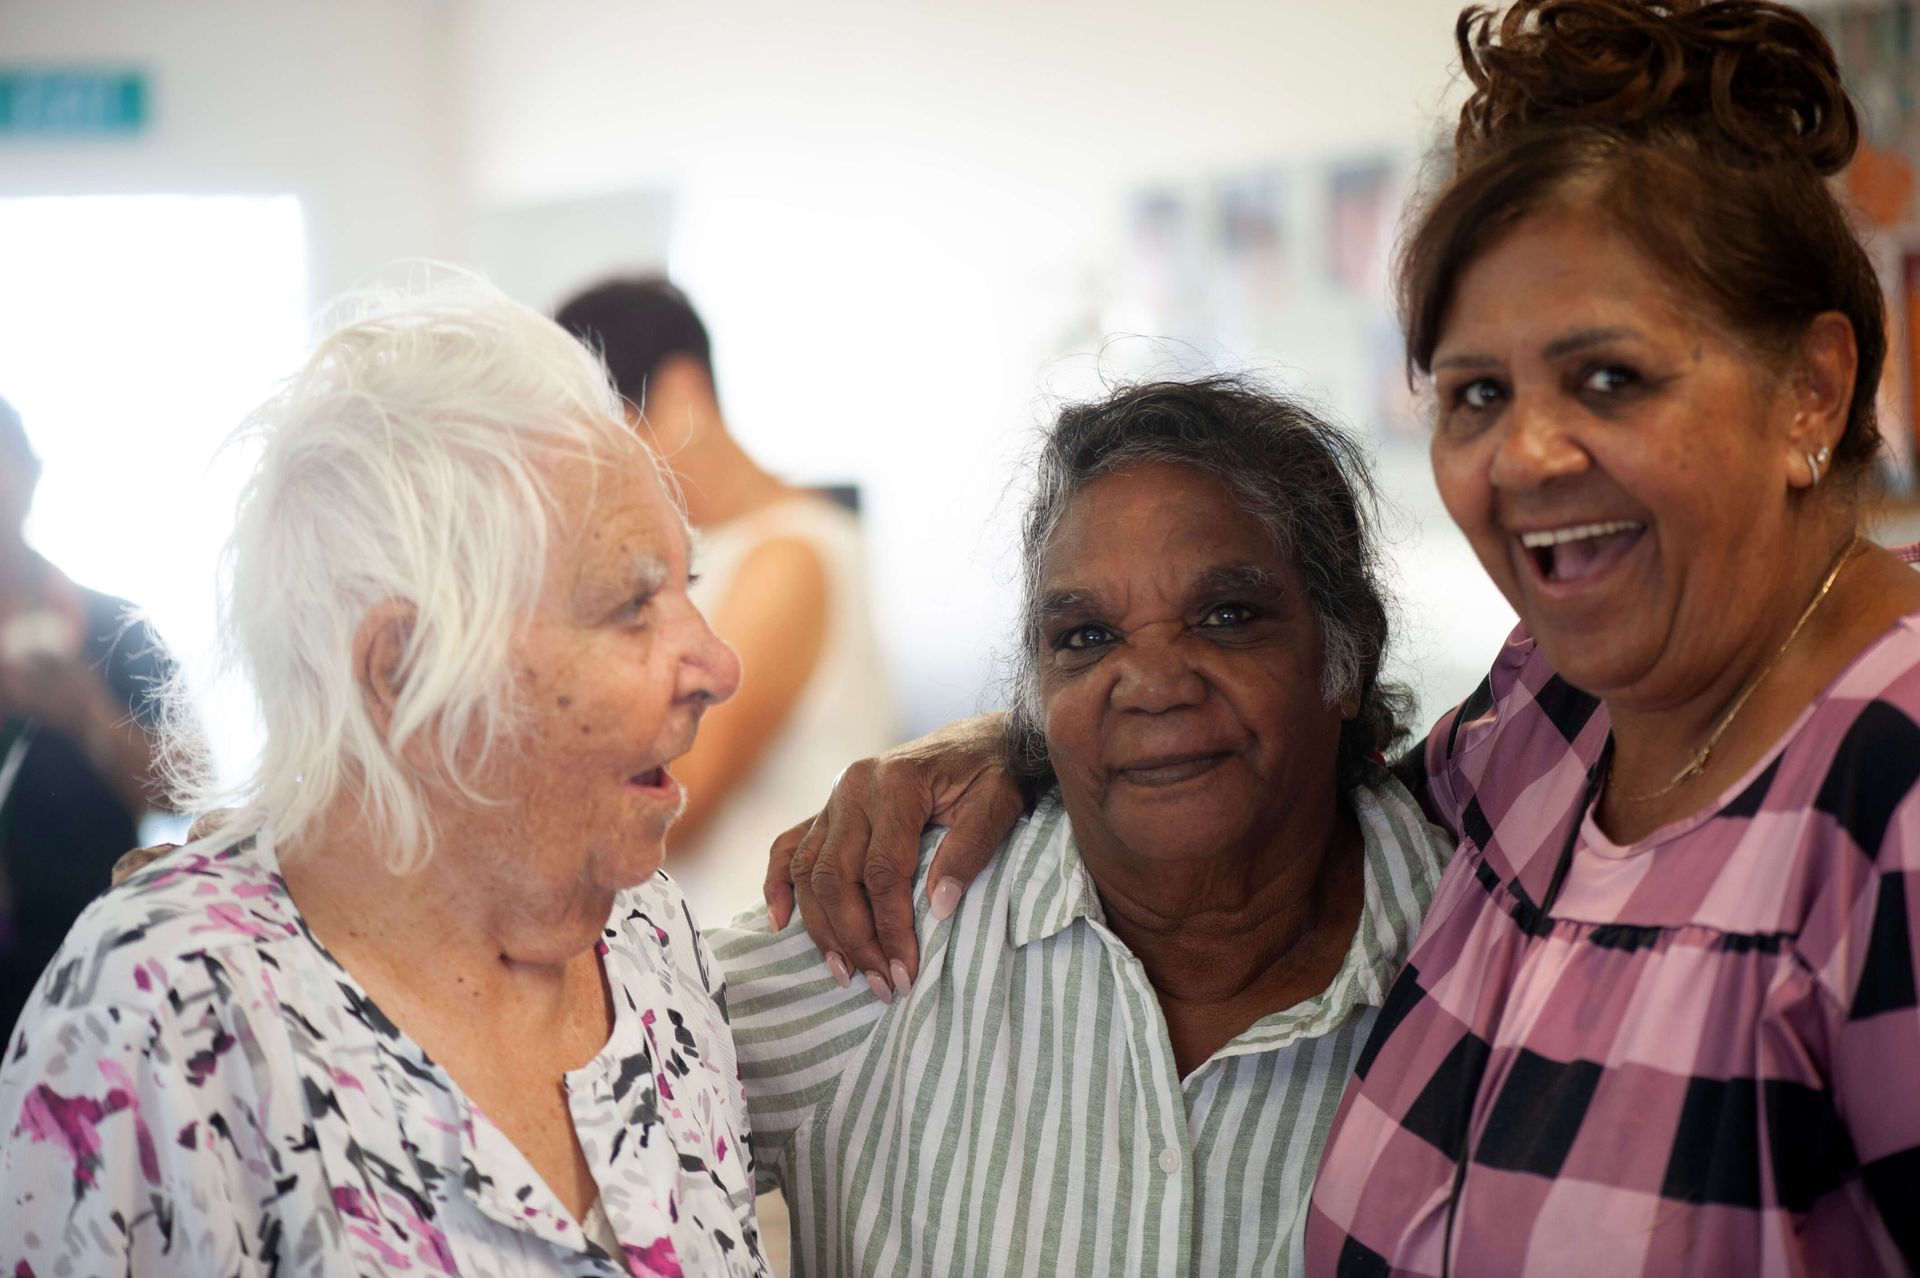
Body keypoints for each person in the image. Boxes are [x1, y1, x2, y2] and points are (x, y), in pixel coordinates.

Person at [762, 2, 1920, 1273]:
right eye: (1478, 391)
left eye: (1609, 378)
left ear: (1813, 389)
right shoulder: (1563, 717)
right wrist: (1028, 739)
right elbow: (1278, 767)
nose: (1527, 452)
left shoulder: (1887, 782)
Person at [0, 279, 767, 1275]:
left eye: (688, 587)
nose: (719, 666)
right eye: (632, 603)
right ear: (406, 674)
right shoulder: (167, 1011)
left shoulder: (650, 935)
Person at [711, 377, 1451, 1275]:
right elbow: (558, 1083)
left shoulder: (1486, 957)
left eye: (1226, 617)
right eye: (1087, 638)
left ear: (1346, 656)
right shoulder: (898, 936)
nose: (1152, 682)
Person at [556, 278, 895, 923]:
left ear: (683, 394)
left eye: (611, 435)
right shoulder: (723, 550)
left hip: (755, 958)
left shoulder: (791, 556)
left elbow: (680, 792)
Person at [0, 397, 176, 1042]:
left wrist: (87, 712)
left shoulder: (112, 630)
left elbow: (187, 791)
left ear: (31, 474)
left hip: (88, 973)